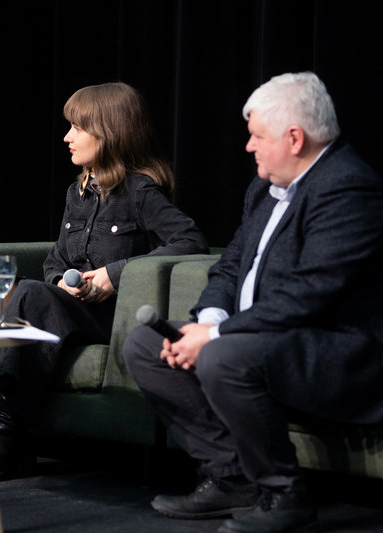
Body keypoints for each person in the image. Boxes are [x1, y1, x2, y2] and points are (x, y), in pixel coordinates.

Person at [122, 71, 383, 533]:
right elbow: (228, 267)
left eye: (257, 136)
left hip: (333, 355)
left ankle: (284, 493)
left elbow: (310, 293)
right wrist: (209, 319)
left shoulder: (348, 188)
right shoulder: (263, 188)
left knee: (223, 354)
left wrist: (217, 335)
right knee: (145, 344)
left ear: (295, 138)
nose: (249, 146)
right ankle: (231, 477)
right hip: (258, 342)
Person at [0, 82, 210, 481]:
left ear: (108, 132)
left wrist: (116, 273)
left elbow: (191, 240)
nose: (67, 137)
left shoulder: (140, 191)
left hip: (107, 318)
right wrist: (60, 280)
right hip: (68, 311)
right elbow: (55, 259)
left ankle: (7, 437)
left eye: (77, 127)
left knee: (23, 293)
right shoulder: (76, 193)